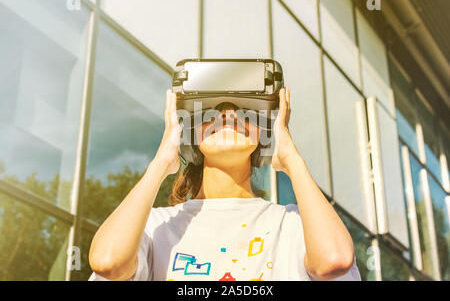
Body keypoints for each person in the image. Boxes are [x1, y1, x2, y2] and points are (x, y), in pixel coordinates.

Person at [88, 86, 361, 281]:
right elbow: (108, 262)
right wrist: (161, 163)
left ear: (264, 132)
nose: (228, 112)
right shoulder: (156, 226)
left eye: (246, 109)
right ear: (190, 132)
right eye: (210, 109)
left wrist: (292, 160)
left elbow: (334, 261)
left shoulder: (292, 224)